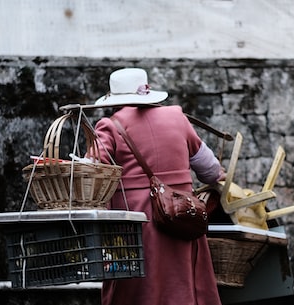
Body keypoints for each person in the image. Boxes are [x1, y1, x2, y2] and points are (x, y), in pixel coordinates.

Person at [92, 67, 225, 305]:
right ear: (147, 91)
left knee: (139, 286)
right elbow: (210, 170)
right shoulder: (177, 117)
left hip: (134, 222)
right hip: (181, 215)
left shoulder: (110, 126)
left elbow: (91, 171)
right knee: (183, 283)